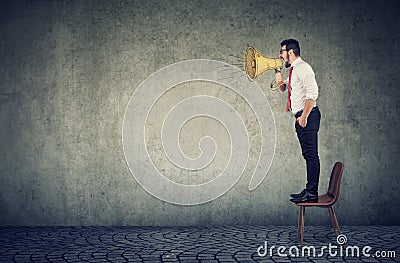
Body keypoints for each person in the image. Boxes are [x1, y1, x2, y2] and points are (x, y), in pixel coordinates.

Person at [276, 39, 321, 203]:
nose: (280, 55)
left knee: (311, 155)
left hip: (308, 115)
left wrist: (304, 117)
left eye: (282, 52)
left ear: (290, 52)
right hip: (302, 116)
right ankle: (310, 189)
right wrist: (279, 79)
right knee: (307, 154)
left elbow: (313, 94)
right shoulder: (294, 71)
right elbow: (284, 88)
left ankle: (312, 193)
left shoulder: (303, 68)